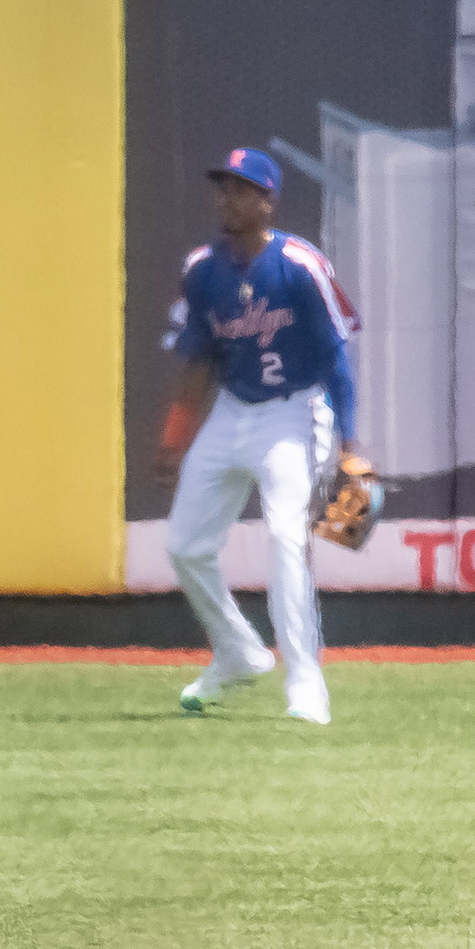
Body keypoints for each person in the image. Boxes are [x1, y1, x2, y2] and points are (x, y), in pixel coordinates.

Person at [161, 147, 366, 726]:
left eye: (241, 189)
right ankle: (239, 651)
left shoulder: (299, 264)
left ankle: (306, 684)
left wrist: (349, 444)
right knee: (184, 545)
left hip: (293, 410)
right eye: (222, 187)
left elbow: (336, 363)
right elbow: (198, 360)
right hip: (232, 408)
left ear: (267, 201)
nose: (228, 198)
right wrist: (174, 439)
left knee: (285, 538)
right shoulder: (202, 269)